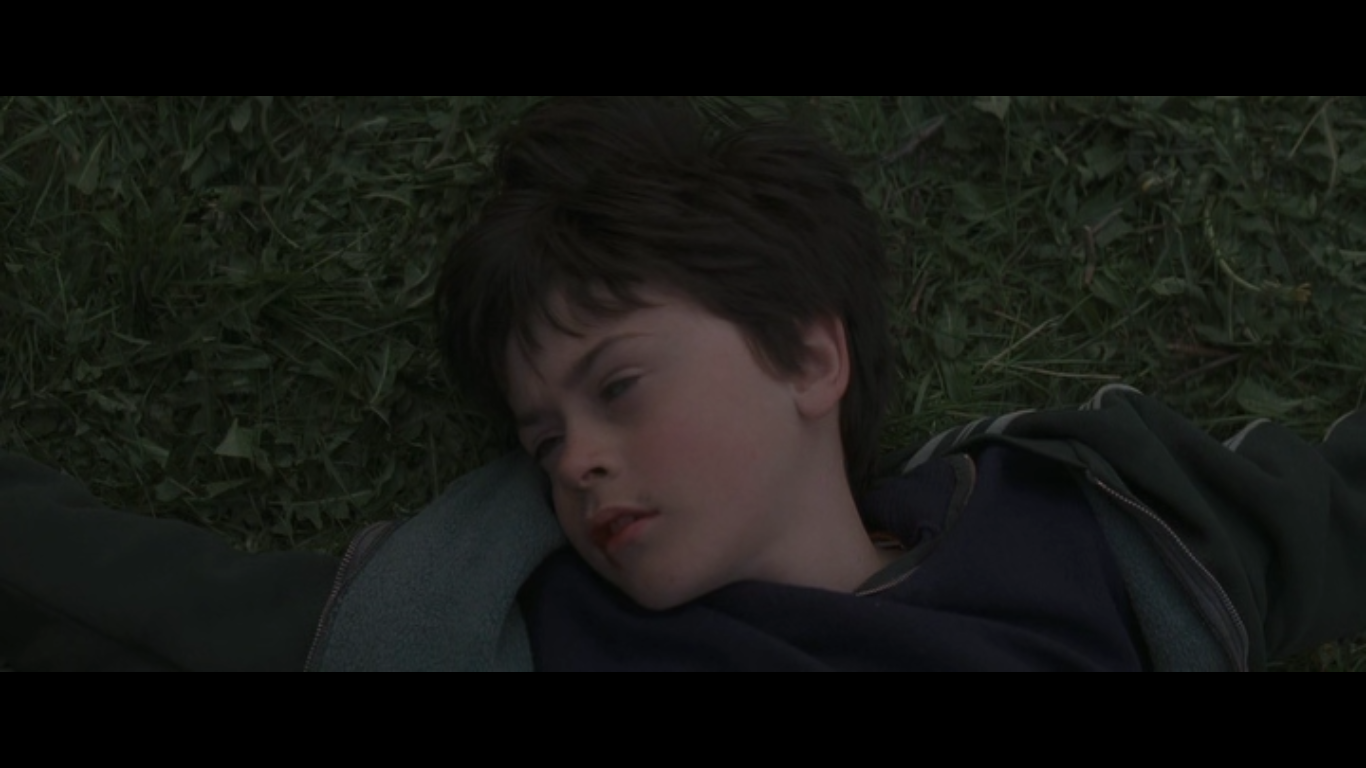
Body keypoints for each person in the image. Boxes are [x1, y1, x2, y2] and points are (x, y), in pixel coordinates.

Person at [2, 97, 1363, 671]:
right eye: (540, 436)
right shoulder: (538, 634)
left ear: (809, 357)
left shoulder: (1094, 535)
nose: (574, 461)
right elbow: (114, 594)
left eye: (620, 385)